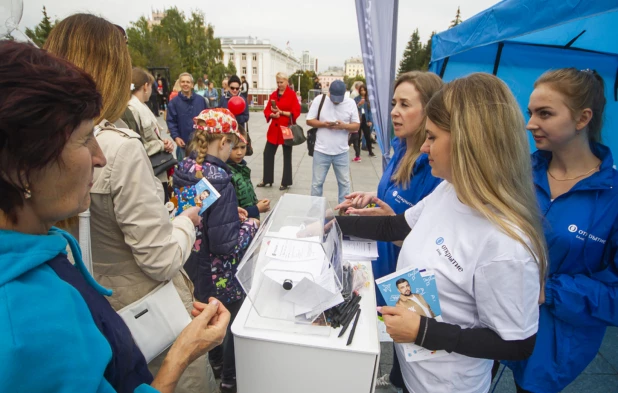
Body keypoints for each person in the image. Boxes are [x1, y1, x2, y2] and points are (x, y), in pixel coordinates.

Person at [0, 40, 229, 393]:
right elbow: (158, 257)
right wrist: (182, 354)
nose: (99, 156)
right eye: (84, 138)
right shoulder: (30, 317)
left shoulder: (44, 257)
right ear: (22, 169)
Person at [329, 73, 547, 393]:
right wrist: (333, 224)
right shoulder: (450, 190)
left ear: (467, 142)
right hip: (414, 366)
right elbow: (396, 226)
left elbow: (517, 343)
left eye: (432, 137)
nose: (424, 147)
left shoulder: (506, 242)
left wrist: (422, 331)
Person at [504, 68, 618, 393]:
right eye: (530, 113)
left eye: (545, 114)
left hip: (553, 345)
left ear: (582, 118)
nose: (529, 124)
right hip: (497, 321)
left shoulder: (612, 196)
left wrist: (549, 292)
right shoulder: (521, 171)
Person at [335, 71, 443, 391]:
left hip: (414, 276)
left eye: (405, 104)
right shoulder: (400, 147)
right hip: (389, 262)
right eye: (394, 102)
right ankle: (395, 378)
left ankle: (400, 381)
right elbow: (394, 200)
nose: (394, 111)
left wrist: (391, 220)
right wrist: (373, 197)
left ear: (430, 111)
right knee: (395, 337)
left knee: (416, 350)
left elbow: (430, 234)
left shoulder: (436, 166)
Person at [173, 108, 260, 393]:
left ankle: (213, 366)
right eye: (233, 145)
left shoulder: (187, 169)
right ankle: (229, 379)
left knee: (202, 318)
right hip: (218, 276)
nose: (233, 151)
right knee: (227, 323)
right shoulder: (221, 177)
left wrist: (229, 213)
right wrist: (251, 226)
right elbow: (226, 244)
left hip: (191, 265)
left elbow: (197, 213)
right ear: (222, 142)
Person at [306, 79, 360, 204]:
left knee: (345, 184)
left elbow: (356, 126)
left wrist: (344, 126)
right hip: (321, 150)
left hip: (341, 151)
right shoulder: (320, 100)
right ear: (329, 92)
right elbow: (309, 120)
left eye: (339, 98)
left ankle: (344, 212)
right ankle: (315, 211)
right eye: (334, 97)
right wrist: (324, 124)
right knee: (316, 184)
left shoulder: (350, 103)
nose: (336, 101)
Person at [125, 67, 175, 190]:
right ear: (146, 86)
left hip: (154, 167)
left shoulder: (141, 107)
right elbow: (136, 144)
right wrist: (161, 145)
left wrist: (162, 142)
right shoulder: (133, 109)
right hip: (149, 170)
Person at [257, 72, 301, 191]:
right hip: (274, 129)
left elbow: (296, 112)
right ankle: (267, 179)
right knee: (267, 153)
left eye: (281, 82)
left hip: (286, 128)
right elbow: (266, 110)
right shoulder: (273, 94)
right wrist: (271, 114)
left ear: (287, 82)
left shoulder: (292, 95)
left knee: (287, 155)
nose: (279, 84)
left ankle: (285, 182)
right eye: (277, 82)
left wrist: (281, 112)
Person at [228, 127, 271, 219]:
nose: (239, 152)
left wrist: (255, 202)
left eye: (243, 147)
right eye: (234, 148)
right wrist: (256, 209)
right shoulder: (227, 173)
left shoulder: (242, 169)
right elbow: (230, 212)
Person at [167, 72, 208, 150]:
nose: (185, 84)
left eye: (188, 82)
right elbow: (171, 122)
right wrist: (176, 137)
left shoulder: (201, 100)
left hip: (200, 143)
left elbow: (207, 119)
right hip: (183, 144)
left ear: (192, 85)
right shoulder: (174, 103)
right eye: (183, 82)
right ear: (179, 84)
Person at [351, 84, 375, 161]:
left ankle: (370, 151)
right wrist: (359, 104)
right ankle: (357, 154)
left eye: (364, 90)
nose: (363, 92)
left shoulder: (368, 100)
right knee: (358, 137)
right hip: (358, 119)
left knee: (367, 135)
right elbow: (353, 109)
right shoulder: (356, 99)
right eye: (361, 90)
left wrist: (370, 120)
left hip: (365, 118)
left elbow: (370, 111)